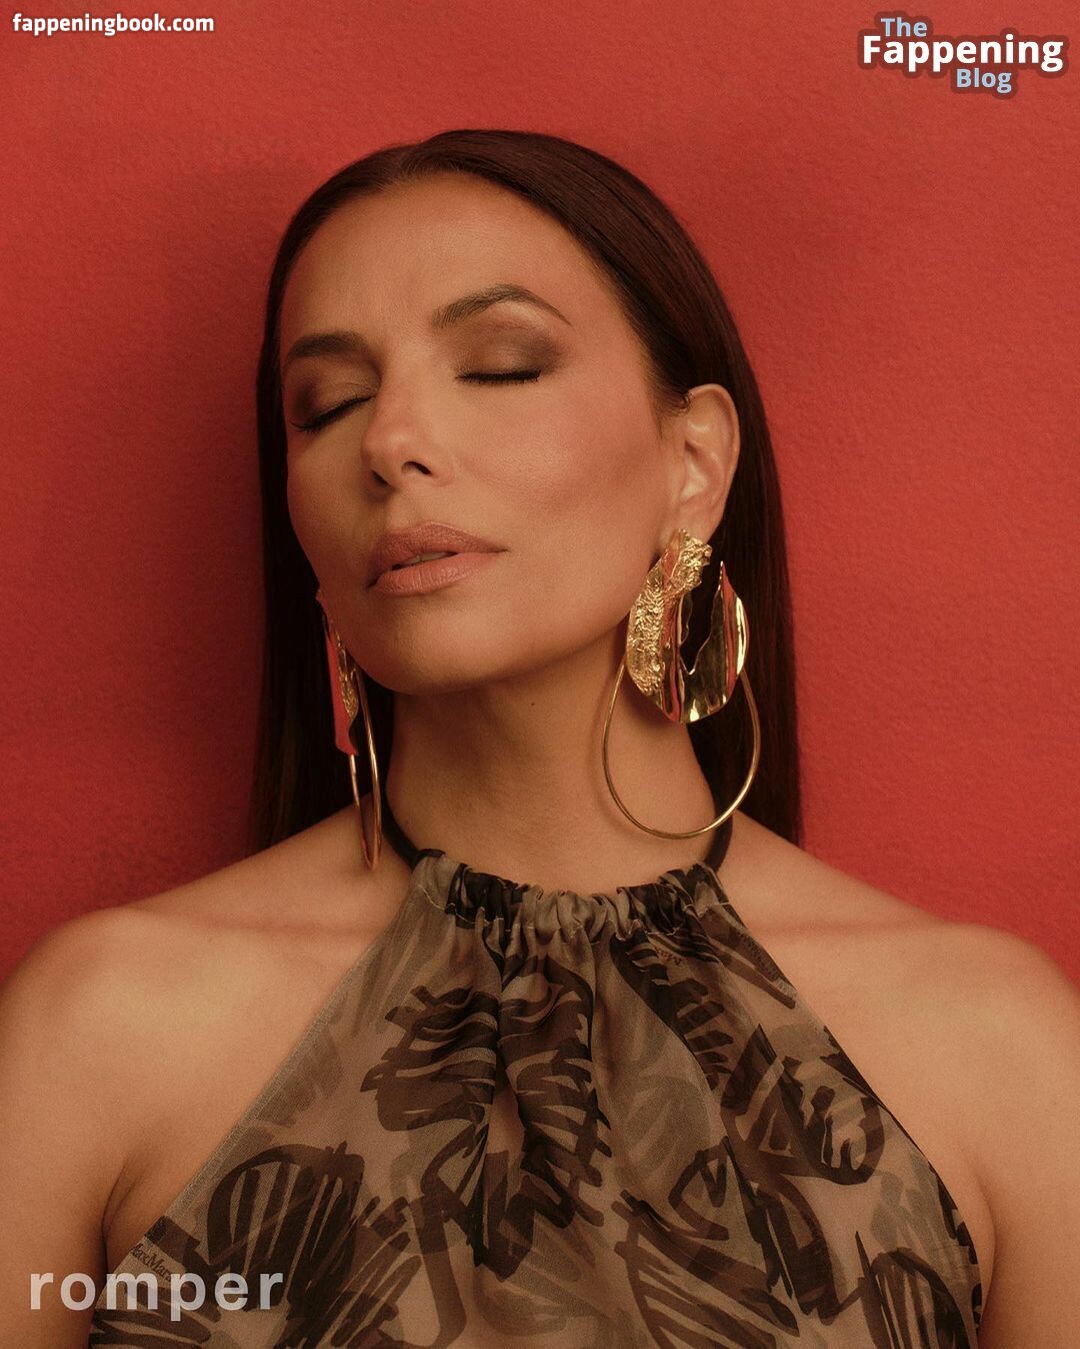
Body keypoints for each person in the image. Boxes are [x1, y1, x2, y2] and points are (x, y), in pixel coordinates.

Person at [0, 129, 1076, 1347]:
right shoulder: (101, 1028)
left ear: (693, 462)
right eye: (328, 403)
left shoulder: (998, 1049)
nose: (387, 441)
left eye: (501, 366)